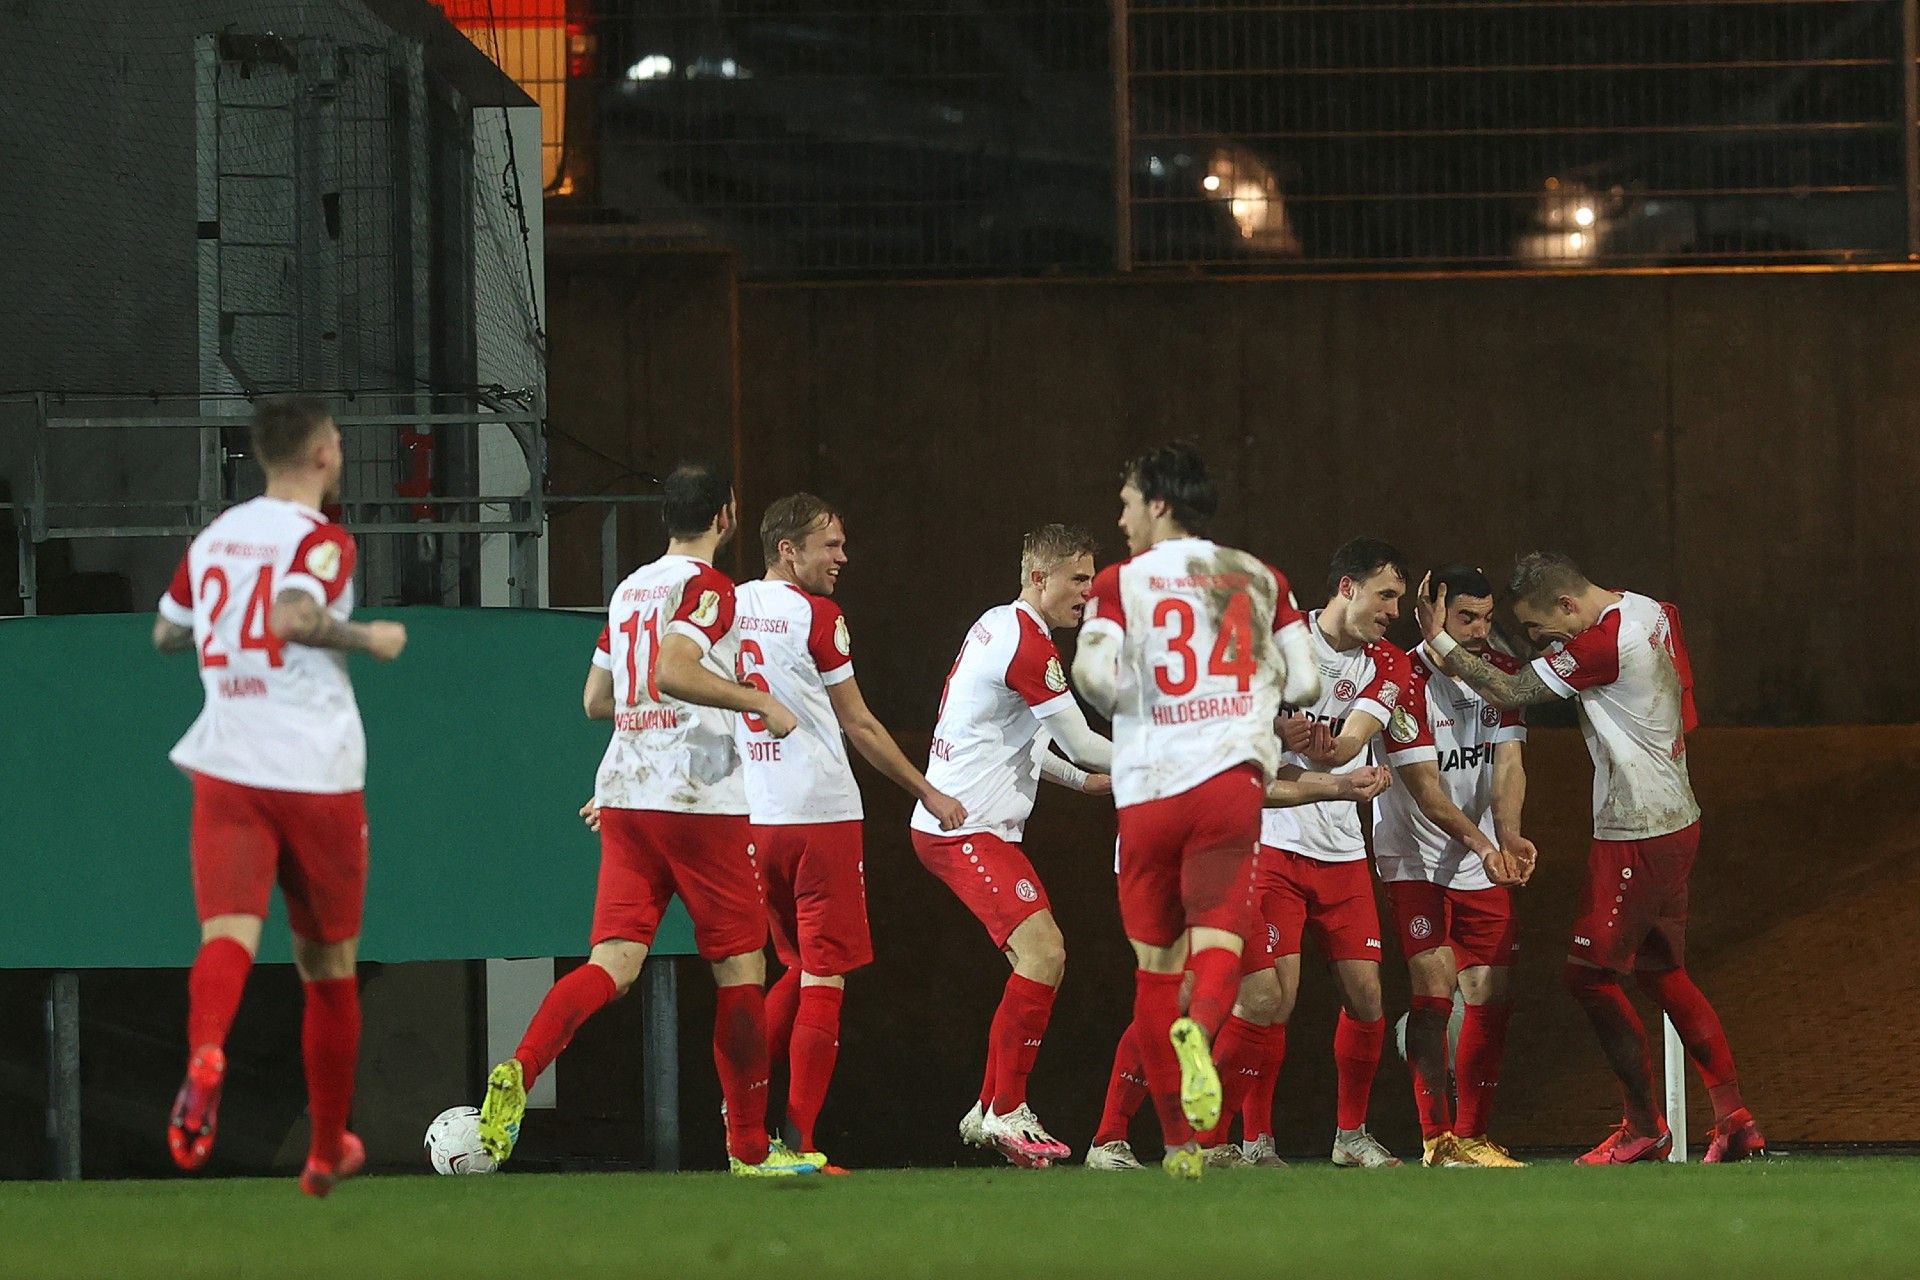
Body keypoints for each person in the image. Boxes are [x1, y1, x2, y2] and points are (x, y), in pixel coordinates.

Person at [476, 462, 822, 1178]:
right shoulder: (710, 589)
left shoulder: (631, 588)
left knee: (614, 962)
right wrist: (757, 702)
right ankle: (750, 1150)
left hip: (627, 796)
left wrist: (645, 737)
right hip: (696, 801)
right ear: (726, 514)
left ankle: (522, 1065)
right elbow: (672, 669)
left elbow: (597, 700)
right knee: (740, 970)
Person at [1416, 551, 1764, 1164]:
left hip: (1637, 828)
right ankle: (1734, 1119)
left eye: (1541, 629)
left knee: (1588, 975)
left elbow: (1510, 686)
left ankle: (1641, 1126)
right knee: (1661, 972)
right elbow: (1686, 704)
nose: (1542, 643)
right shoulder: (1651, 609)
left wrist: (1439, 639)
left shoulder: (1601, 645)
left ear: (1568, 605)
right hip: (1677, 814)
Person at [153, 395, 407, 1197]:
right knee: (328, 964)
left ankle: (206, 1050)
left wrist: (220, 632)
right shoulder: (323, 539)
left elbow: (167, 632)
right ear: (325, 454)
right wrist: (370, 638)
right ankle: (328, 1147)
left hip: (227, 761)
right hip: (312, 770)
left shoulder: (216, 537)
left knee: (226, 933)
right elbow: (296, 615)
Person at [1071, 440, 1321, 1180]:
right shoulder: (1260, 578)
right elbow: (1305, 683)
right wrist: (1251, 688)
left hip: (1149, 787)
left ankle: (1179, 1143)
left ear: (1157, 502)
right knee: (1220, 942)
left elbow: (1091, 671)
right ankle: (1200, 1033)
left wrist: (1136, 698)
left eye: (1125, 503)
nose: (1119, 520)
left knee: (1154, 968)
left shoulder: (1120, 581)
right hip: (1229, 786)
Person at [735, 494, 968, 1171]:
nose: (842, 558)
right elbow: (859, 724)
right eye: (829, 545)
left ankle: (741, 1116)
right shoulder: (817, 615)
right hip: (819, 815)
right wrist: (927, 790)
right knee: (827, 975)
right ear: (788, 549)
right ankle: (800, 1141)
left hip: (755, 816)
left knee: (794, 967)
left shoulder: (726, 608)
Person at [913, 524, 1115, 1168]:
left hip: (967, 826)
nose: (1088, 592)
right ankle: (1005, 1110)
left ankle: (989, 1107)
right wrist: (1173, 763)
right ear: (1039, 577)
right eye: (1078, 579)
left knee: (1039, 957)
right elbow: (1079, 739)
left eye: (1091, 577)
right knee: (1045, 952)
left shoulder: (1000, 624)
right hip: (964, 829)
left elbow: (1025, 739)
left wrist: (1083, 781)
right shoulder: (1030, 645)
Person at [1225, 537, 1416, 1169]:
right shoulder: (1278, 648)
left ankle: (1350, 1136)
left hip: (1341, 849)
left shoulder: (1389, 666)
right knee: (1272, 999)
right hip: (1276, 845)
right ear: (1347, 587)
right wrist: (1277, 731)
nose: (1395, 610)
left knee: (1367, 997)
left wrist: (1304, 740)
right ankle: (1254, 1140)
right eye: (1386, 594)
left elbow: (1343, 746)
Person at [1374, 564, 1533, 1168]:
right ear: (1430, 610)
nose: (1477, 630)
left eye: (1487, 618)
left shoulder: (1500, 675)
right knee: (1433, 987)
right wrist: (1485, 845)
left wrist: (1511, 837)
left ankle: (1474, 1135)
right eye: (1465, 616)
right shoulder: (1402, 675)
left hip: (1481, 859)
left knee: (1490, 993)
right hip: (1415, 857)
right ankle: (1435, 1135)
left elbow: (1508, 764)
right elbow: (1424, 788)